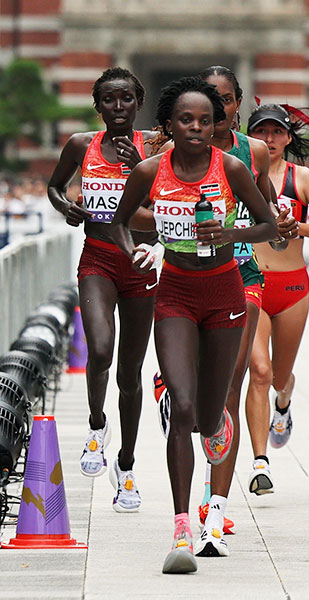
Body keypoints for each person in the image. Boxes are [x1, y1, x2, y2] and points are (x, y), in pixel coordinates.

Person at [109, 76, 277, 573]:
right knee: (181, 407)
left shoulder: (230, 167)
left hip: (225, 292)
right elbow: (120, 220)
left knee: (209, 415)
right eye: (187, 120)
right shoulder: (148, 170)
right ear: (168, 125)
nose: (198, 128)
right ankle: (182, 524)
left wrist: (230, 230)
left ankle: (217, 423)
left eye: (207, 120)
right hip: (176, 293)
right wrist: (135, 249)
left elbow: (268, 224)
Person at [47, 67, 159, 513]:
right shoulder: (81, 145)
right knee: (100, 349)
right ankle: (96, 427)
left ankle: (127, 468)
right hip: (97, 258)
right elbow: (55, 187)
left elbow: (171, 201)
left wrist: (139, 167)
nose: (118, 108)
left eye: (126, 100)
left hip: (141, 262)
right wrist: (66, 207)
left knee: (130, 375)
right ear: (99, 106)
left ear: (138, 103)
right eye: (109, 100)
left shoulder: (155, 146)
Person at [194, 66, 297, 542]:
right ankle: (169, 385)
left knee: (229, 389)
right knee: (197, 393)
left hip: (242, 275)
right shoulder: (173, 150)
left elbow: (268, 211)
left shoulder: (251, 151)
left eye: (227, 100)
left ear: (238, 105)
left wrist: (271, 222)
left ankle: (215, 506)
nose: (218, 109)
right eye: (209, 99)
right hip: (186, 278)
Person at [245, 103, 309, 495]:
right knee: (258, 371)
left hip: (293, 287)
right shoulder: (238, 173)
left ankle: (285, 401)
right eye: (261, 132)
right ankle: (260, 462)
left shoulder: (303, 178)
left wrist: (300, 228)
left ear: (288, 136)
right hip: (254, 283)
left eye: (277, 132)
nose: (269, 139)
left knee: (279, 376)